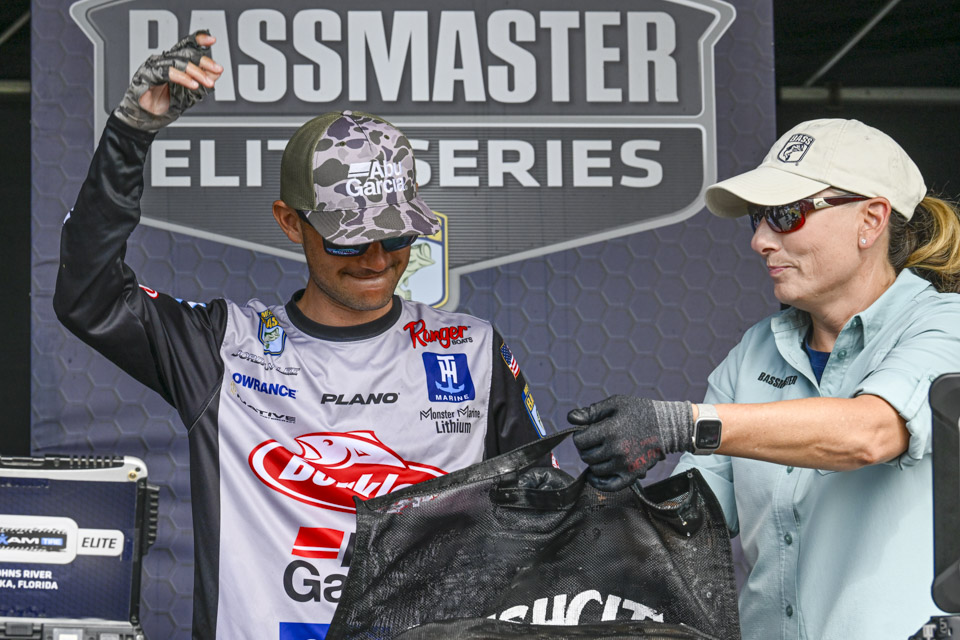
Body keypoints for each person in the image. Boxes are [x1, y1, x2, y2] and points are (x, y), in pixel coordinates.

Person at [54, 32, 550, 640]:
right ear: (290, 222)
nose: (376, 259)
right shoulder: (223, 349)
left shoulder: (471, 350)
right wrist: (130, 134)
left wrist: (617, 472)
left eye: (396, 235)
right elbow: (89, 295)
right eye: (348, 239)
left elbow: (548, 523)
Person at [567, 118, 960, 638]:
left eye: (786, 215)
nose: (759, 241)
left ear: (870, 220)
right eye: (757, 218)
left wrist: (678, 424)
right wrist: (584, 514)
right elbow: (693, 518)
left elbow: (870, 434)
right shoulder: (755, 350)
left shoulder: (946, 325)